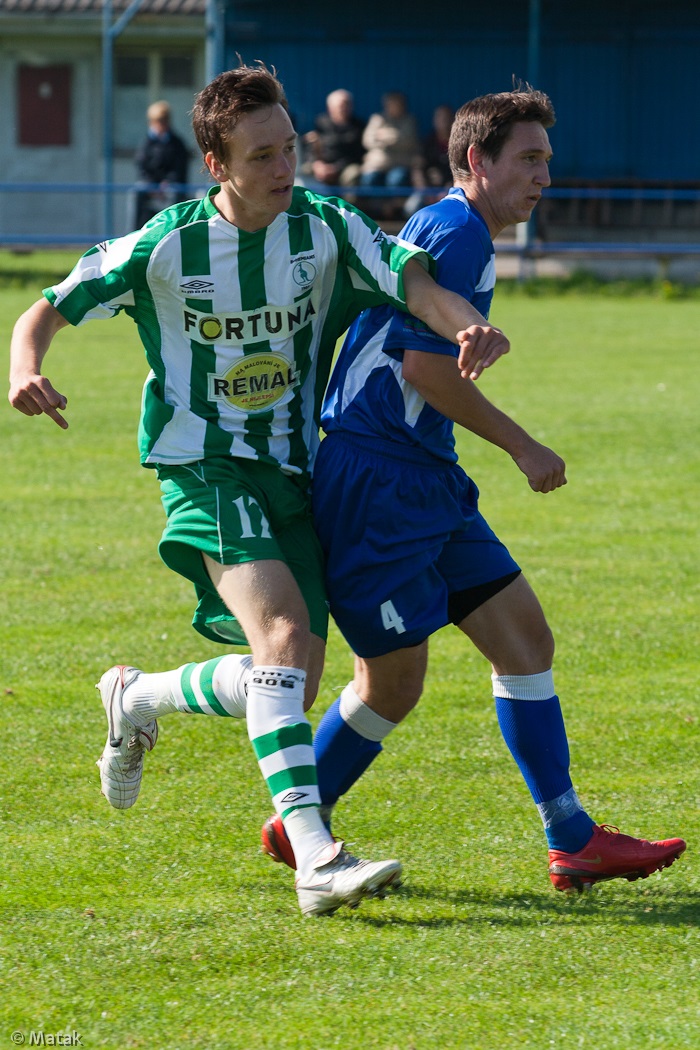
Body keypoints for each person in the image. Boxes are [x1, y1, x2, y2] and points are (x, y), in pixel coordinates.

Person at [8, 64, 510, 917]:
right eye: (264, 155)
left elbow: (412, 280)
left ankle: (137, 695)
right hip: (203, 464)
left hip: (292, 469)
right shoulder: (166, 242)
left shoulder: (325, 224)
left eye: (293, 147)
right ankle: (317, 857)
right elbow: (47, 306)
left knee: (290, 676)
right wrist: (25, 366)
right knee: (281, 635)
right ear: (216, 164)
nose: (287, 168)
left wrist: (466, 322)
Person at [259, 87, 687, 893]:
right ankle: (299, 821)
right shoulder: (460, 235)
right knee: (391, 683)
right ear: (475, 161)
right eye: (527, 159)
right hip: (377, 482)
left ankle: (572, 837)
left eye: (546, 161)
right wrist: (524, 446)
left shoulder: (451, 227)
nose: (543, 177)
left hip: (422, 475)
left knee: (525, 639)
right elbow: (423, 369)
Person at [134, 100, 190, 227]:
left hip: (170, 186)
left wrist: (167, 182)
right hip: (151, 186)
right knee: (138, 192)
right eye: (158, 121)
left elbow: (179, 169)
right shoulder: (146, 144)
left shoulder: (177, 144)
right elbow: (142, 167)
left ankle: (174, 229)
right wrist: (152, 185)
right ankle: (136, 232)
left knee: (175, 194)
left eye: (164, 120)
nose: (161, 124)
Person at [302, 88, 365, 188]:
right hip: (321, 166)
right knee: (302, 171)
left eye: (347, 105)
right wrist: (317, 164)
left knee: (353, 174)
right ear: (330, 107)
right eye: (340, 106)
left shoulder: (358, 127)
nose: (344, 109)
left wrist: (335, 168)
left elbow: (357, 155)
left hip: (345, 167)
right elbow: (311, 146)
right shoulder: (321, 123)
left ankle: (347, 203)